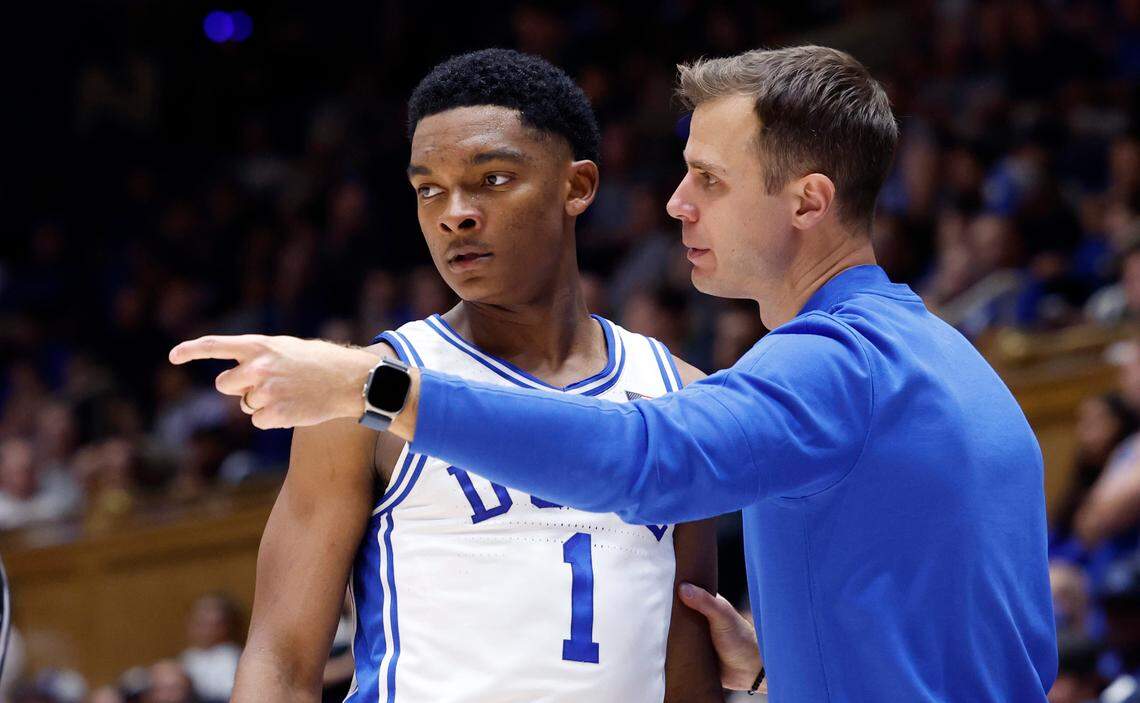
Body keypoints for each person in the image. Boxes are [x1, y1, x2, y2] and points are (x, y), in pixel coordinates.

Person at [171, 46, 1057, 700]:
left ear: (808, 201)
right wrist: (770, 677)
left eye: (708, 179)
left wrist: (369, 387)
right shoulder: (945, 359)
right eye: (428, 188)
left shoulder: (819, 370)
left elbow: (638, 460)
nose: (676, 202)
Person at [190, 50, 722, 703]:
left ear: (577, 186)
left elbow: (689, 668)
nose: (455, 213)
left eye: (492, 178)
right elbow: (281, 658)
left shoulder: (681, 395)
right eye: (429, 190)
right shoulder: (362, 392)